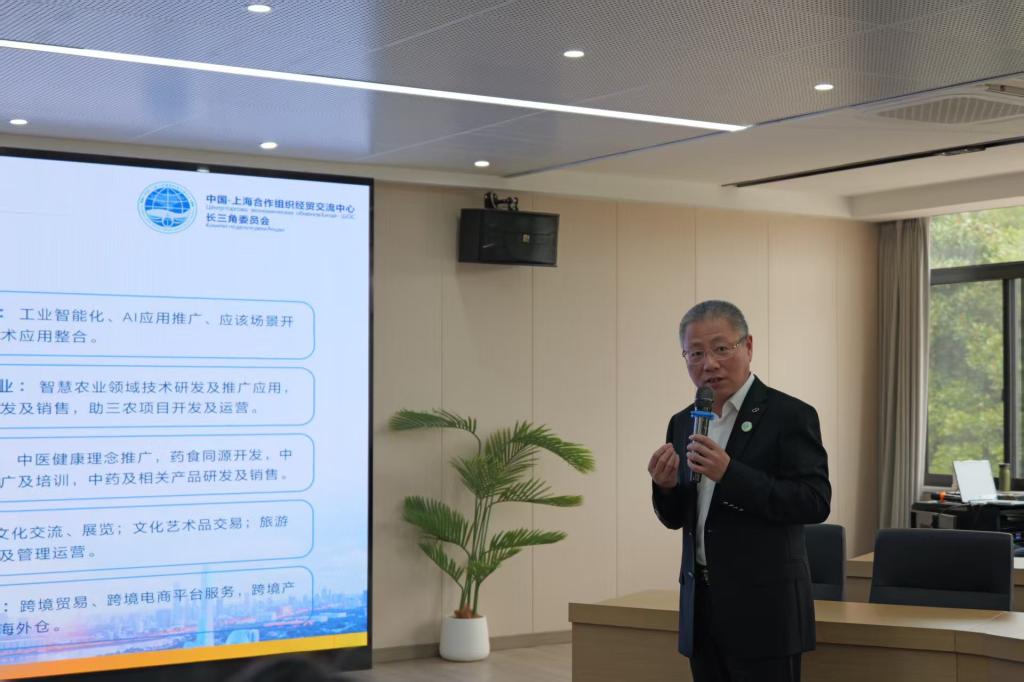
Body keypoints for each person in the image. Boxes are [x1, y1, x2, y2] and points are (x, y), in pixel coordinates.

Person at [647, 300, 830, 682]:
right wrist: (665, 488)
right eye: (696, 353)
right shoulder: (683, 422)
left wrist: (730, 474)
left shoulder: (789, 415)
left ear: (748, 346)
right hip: (701, 608)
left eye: (721, 348)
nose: (709, 364)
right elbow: (680, 518)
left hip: (766, 612)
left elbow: (814, 502)